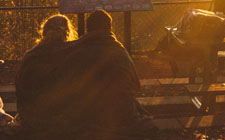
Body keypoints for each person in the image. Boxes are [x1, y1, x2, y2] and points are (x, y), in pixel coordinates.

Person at [64, 10, 156, 140]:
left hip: (87, 117)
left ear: (87, 29)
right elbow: (135, 86)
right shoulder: (120, 51)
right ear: (109, 28)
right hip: (121, 117)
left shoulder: (75, 51)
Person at [14, 15, 76, 138]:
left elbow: (20, 88)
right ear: (68, 33)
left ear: (43, 32)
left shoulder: (30, 56)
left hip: (31, 119)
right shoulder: (72, 55)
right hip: (62, 120)